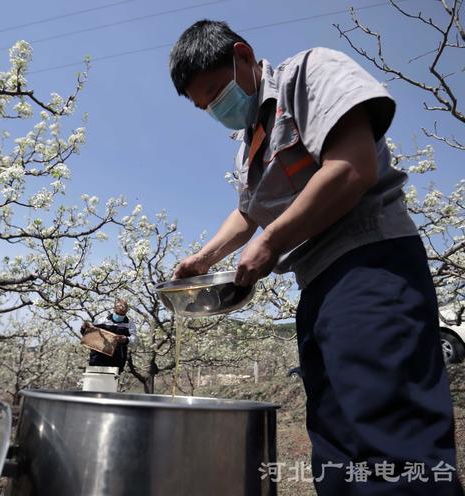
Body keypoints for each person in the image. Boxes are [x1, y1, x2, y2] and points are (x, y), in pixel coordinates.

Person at [169, 20, 463, 495]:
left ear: (242, 56)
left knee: (389, 432)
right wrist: (204, 258)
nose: (216, 110)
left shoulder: (307, 74)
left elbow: (352, 167)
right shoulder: (248, 145)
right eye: (205, 107)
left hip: (371, 267)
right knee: (336, 442)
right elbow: (249, 213)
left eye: (215, 93)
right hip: (316, 285)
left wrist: (268, 244)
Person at [80, 299, 136, 374]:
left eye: (122, 314)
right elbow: (89, 335)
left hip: (116, 362)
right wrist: (84, 328)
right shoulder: (101, 321)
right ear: (114, 309)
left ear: (126, 312)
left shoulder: (130, 325)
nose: (119, 316)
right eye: (118, 313)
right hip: (97, 360)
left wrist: (125, 339)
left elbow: (134, 340)